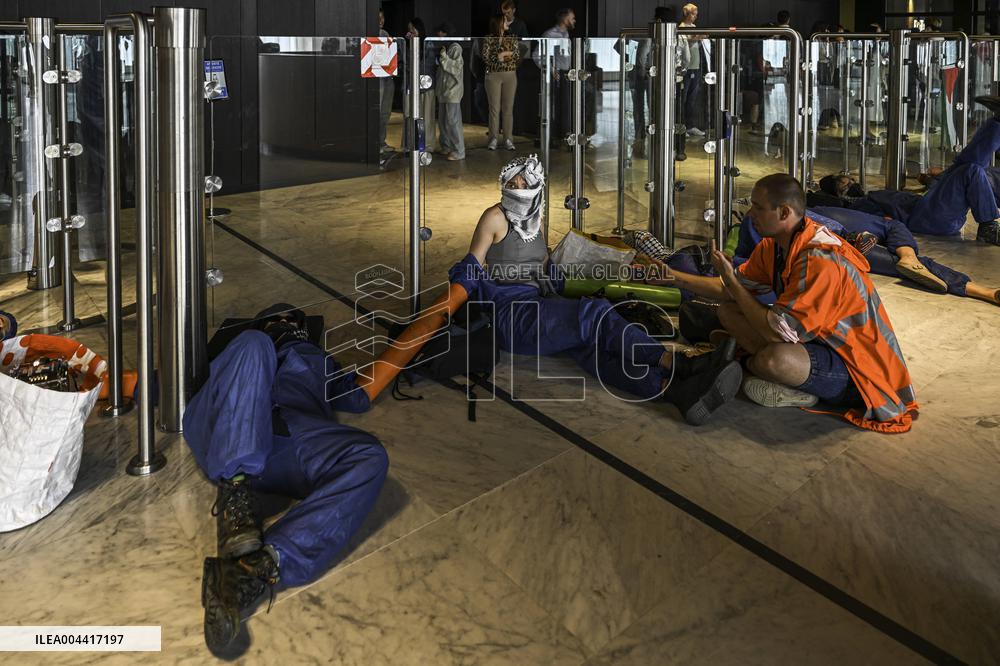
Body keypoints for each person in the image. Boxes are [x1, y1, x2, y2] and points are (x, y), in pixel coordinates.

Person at [448, 155, 742, 425]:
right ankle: (677, 363)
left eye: (525, 183)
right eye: (513, 182)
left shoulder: (534, 218)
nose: (518, 188)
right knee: (594, 315)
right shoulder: (495, 217)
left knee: (592, 347)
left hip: (539, 302)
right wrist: (452, 298)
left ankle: (672, 390)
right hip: (513, 315)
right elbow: (472, 265)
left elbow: (546, 269)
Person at [187, 305, 388, 651]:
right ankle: (237, 496)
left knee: (370, 456)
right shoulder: (239, 345)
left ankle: (257, 570)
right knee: (254, 345)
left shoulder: (318, 359)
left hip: (291, 439)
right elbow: (160, 384)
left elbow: (359, 396)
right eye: (274, 320)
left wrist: (427, 326)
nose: (284, 323)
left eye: (292, 320)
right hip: (226, 432)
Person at [653, 174, 918, 432]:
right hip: (812, 342)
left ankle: (777, 379)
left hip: (855, 369)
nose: (750, 215)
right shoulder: (774, 245)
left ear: (783, 213)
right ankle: (747, 365)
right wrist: (672, 277)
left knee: (773, 361)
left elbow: (774, 330)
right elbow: (729, 291)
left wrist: (733, 284)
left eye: (758, 208)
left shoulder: (820, 259)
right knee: (729, 312)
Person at [810, 95, 1000, 245]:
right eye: (842, 180)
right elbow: (879, 224)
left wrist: (933, 181)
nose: (849, 178)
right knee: (971, 170)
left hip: (927, 208)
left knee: (969, 167)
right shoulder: (856, 205)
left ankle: (997, 121)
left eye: (847, 177)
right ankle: (988, 227)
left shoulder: (867, 196)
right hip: (926, 219)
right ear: (838, 191)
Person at [734, 205, 1000, 306]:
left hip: (836, 246)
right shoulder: (853, 213)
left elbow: (894, 226)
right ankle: (985, 291)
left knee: (906, 265)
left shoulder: (877, 222)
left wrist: (907, 254)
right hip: (827, 242)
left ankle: (984, 291)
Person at [483, 14, 521, 150]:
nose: (508, 23)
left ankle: (508, 139)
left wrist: (502, 56)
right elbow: (486, 58)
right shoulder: (488, 39)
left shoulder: (512, 37)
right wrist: (505, 55)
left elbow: (516, 55)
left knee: (508, 109)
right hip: (493, 76)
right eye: (505, 20)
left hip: (510, 75)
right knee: (494, 109)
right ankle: (493, 139)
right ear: (498, 23)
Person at [537, 9, 575, 147]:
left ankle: (563, 136)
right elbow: (538, 55)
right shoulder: (550, 34)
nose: (574, 21)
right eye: (572, 18)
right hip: (555, 76)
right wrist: (551, 69)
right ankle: (550, 138)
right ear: (565, 19)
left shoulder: (566, 34)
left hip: (566, 75)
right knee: (552, 107)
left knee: (565, 107)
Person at [434, 23, 465, 161]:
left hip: (452, 91)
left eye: (440, 32)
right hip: (443, 91)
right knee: (442, 121)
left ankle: (458, 150)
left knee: (453, 121)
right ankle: (446, 146)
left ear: (446, 33)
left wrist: (444, 58)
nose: (438, 35)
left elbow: (456, 69)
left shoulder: (455, 47)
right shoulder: (446, 48)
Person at [407, 18, 438, 153]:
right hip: (411, 87)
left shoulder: (428, 44)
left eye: (413, 29)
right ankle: (410, 145)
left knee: (427, 118)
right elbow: (405, 64)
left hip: (426, 87)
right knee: (410, 117)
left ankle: (427, 145)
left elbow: (429, 66)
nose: (411, 32)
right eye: (409, 30)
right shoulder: (407, 44)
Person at [679, 3, 709, 138]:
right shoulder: (681, 28)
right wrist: (697, 37)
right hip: (687, 67)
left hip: (696, 67)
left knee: (692, 99)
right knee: (684, 98)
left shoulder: (694, 27)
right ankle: (681, 126)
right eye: (693, 14)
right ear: (687, 14)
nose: (695, 17)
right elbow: (685, 44)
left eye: (696, 15)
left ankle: (690, 125)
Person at [377, 8, 395, 155]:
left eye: (383, 17)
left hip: (387, 78)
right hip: (377, 80)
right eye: (378, 18)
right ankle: (375, 143)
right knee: (377, 112)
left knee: (385, 112)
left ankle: (381, 142)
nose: (381, 20)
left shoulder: (385, 34)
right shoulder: (371, 34)